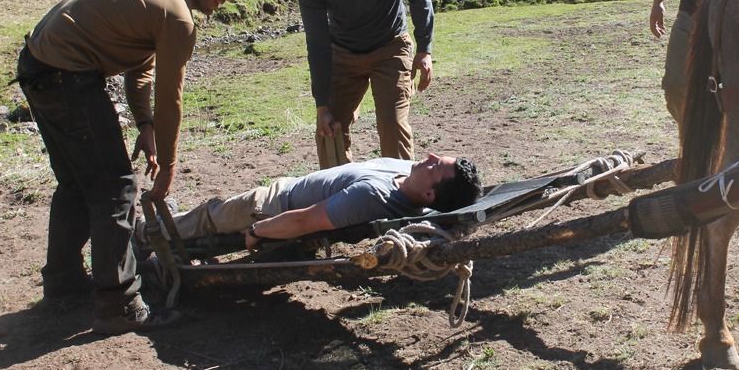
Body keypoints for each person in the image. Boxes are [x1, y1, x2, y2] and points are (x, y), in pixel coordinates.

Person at [15, 0, 254, 334]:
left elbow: (141, 67)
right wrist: (169, 168)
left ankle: (63, 284)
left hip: (40, 65)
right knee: (117, 187)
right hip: (66, 73)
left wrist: (145, 125)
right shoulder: (178, 15)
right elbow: (171, 98)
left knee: (77, 183)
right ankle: (120, 305)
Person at [298, 0, 435, 167]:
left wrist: (424, 49)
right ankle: (337, 197)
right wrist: (322, 105)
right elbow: (318, 44)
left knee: (391, 123)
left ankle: (401, 197)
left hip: (391, 45)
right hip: (344, 53)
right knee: (329, 129)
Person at [135, 154, 482, 250]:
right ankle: (173, 224)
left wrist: (257, 230)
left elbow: (305, 221)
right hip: (288, 191)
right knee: (210, 213)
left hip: (273, 205)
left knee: (211, 216)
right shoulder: (411, 179)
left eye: (437, 166)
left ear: (430, 196)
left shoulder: (372, 198)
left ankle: (148, 234)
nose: (431, 156)